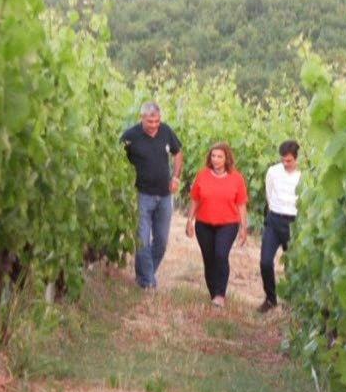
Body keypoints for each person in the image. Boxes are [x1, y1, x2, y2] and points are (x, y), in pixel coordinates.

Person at [120, 102, 184, 290]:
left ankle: (143, 275)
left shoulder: (166, 131)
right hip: (142, 195)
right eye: (150, 121)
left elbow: (178, 152)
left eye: (157, 120)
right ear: (142, 118)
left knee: (162, 242)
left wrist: (176, 177)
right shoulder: (130, 136)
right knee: (142, 240)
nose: (154, 125)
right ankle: (148, 282)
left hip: (164, 196)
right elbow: (118, 160)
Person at [185, 143, 249, 307]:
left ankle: (220, 294)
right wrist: (189, 220)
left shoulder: (236, 178)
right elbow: (195, 199)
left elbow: (241, 204)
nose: (216, 159)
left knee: (221, 255)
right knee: (209, 259)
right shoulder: (202, 175)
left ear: (227, 158)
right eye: (213, 156)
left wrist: (243, 227)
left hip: (228, 224)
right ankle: (214, 292)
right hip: (204, 224)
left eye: (220, 156)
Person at [258, 140, 300, 313]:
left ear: (296, 158)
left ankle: (291, 303)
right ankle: (270, 298)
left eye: (289, 160)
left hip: (294, 222)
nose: (285, 163)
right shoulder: (273, 172)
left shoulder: (302, 176)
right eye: (283, 160)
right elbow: (269, 194)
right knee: (265, 261)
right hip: (274, 220)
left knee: (292, 265)